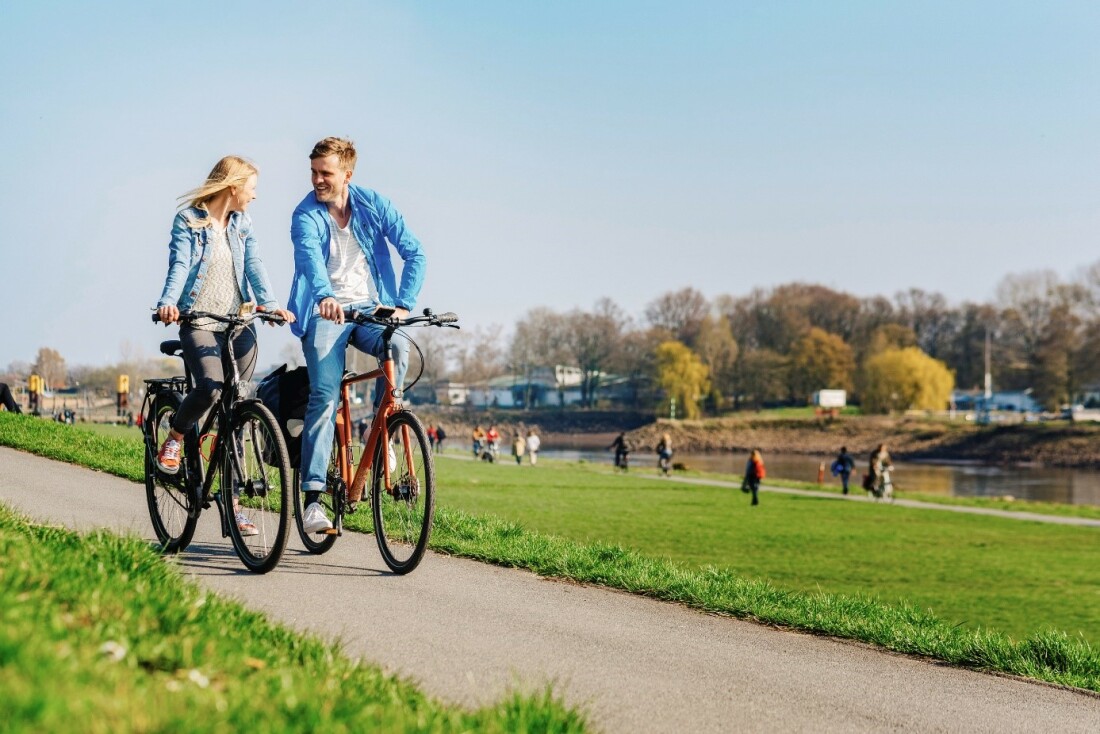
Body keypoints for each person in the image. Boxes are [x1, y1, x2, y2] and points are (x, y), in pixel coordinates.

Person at [288, 137, 426, 535]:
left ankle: (382, 433)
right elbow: (309, 259)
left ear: (347, 174)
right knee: (325, 395)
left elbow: (415, 252)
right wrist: (325, 296)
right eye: (313, 172)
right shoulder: (305, 215)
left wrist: (403, 303)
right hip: (324, 312)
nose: (317, 180)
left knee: (398, 344)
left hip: (370, 309)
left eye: (325, 173)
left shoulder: (374, 204)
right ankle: (312, 499)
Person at [153, 155, 294, 537]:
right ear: (233, 187)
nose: (255, 195)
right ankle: (176, 436)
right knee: (211, 387)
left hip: (238, 325)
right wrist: (169, 302)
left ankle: (233, 506)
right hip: (199, 322)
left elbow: (255, 266)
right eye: (252, 186)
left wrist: (269, 304)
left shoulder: (243, 224)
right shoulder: (189, 220)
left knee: (238, 414)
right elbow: (179, 265)